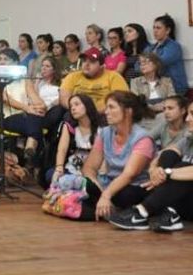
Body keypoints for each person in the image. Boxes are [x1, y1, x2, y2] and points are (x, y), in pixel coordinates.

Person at [108, 100, 193, 232]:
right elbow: (165, 152)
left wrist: (167, 173)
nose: (188, 119)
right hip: (179, 195)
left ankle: (141, 212)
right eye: (188, 114)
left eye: (192, 114)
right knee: (169, 155)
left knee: (183, 166)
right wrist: (155, 169)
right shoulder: (189, 138)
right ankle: (169, 214)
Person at [81, 91, 153, 221]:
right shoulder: (104, 133)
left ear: (128, 111)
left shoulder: (143, 139)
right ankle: (105, 210)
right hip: (109, 183)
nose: (106, 111)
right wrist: (96, 186)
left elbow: (129, 175)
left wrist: (105, 195)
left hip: (133, 187)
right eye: (106, 107)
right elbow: (89, 167)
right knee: (85, 184)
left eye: (111, 107)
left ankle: (101, 208)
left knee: (124, 195)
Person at [0, 49, 43, 166]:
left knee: (36, 116)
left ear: (15, 63)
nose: (1, 62)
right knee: (34, 119)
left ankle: (29, 147)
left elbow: (33, 95)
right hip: (5, 117)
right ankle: (30, 149)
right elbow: (5, 99)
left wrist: (41, 107)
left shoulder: (23, 79)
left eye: (6, 59)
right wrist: (27, 108)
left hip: (26, 116)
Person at [59, 47, 128, 121]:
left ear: (102, 65)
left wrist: (90, 111)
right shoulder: (73, 76)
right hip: (77, 112)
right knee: (61, 113)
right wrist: (76, 108)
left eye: (92, 61)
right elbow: (64, 98)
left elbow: (120, 100)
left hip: (103, 114)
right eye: (84, 61)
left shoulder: (113, 76)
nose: (86, 64)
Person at [45, 94, 98, 186]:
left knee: (91, 183)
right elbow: (62, 149)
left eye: (77, 104)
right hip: (71, 169)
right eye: (71, 106)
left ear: (88, 106)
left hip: (93, 171)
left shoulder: (101, 127)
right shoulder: (69, 126)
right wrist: (59, 168)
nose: (73, 108)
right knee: (50, 174)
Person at [148, 14, 188, 96]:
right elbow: (137, 66)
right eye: (154, 28)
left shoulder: (173, 46)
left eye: (158, 28)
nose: (155, 31)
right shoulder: (151, 47)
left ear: (168, 30)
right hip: (158, 87)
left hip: (174, 88)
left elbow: (160, 63)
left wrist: (146, 63)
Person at [129, 52, 175, 122]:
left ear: (156, 64)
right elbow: (136, 102)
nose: (142, 65)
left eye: (146, 62)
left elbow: (173, 100)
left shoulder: (166, 81)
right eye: (140, 63)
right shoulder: (135, 82)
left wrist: (163, 106)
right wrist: (152, 108)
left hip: (164, 114)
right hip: (144, 116)